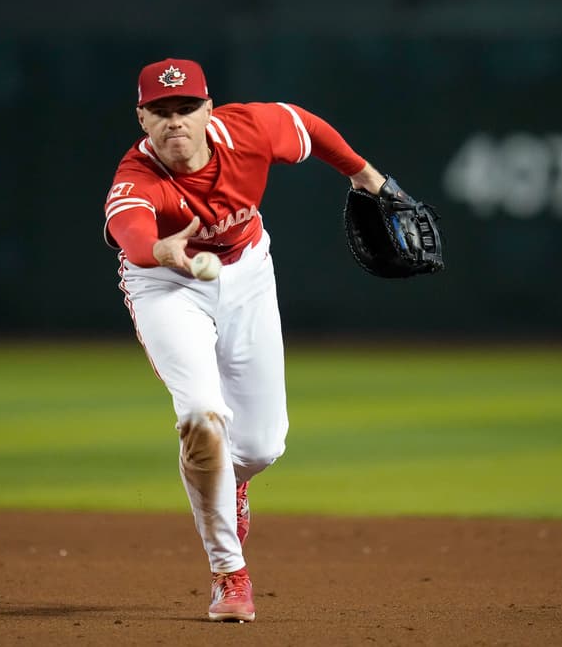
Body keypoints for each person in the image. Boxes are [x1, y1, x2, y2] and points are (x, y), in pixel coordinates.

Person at [101, 58, 389, 622]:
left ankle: (229, 481)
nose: (175, 121)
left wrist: (364, 175)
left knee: (260, 447)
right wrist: (157, 250)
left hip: (247, 271)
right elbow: (130, 231)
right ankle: (229, 573)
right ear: (142, 118)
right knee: (201, 415)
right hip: (166, 286)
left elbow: (306, 126)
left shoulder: (248, 131)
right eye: (161, 111)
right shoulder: (136, 179)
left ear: (208, 110)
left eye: (187, 108)